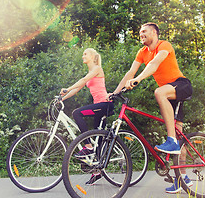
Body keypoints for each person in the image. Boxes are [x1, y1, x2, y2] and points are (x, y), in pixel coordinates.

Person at [109, 22, 193, 193]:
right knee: (178, 135)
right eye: (140, 32)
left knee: (159, 93)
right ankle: (183, 178)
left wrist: (138, 80)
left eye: (144, 31)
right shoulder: (142, 52)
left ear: (154, 33)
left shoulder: (164, 45)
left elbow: (154, 64)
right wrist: (115, 92)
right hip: (169, 93)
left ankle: (171, 141)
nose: (141, 34)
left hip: (180, 86)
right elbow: (129, 73)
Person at [60, 48, 113, 185]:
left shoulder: (97, 68)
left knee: (77, 113)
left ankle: (87, 146)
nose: (82, 56)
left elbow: (83, 80)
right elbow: (78, 88)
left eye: (85, 54)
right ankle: (97, 172)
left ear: (92, 56)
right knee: (99, 138)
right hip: (98, 107)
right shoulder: (90, 72)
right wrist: (62, 98)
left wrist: (67, 88)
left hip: (104, 105)